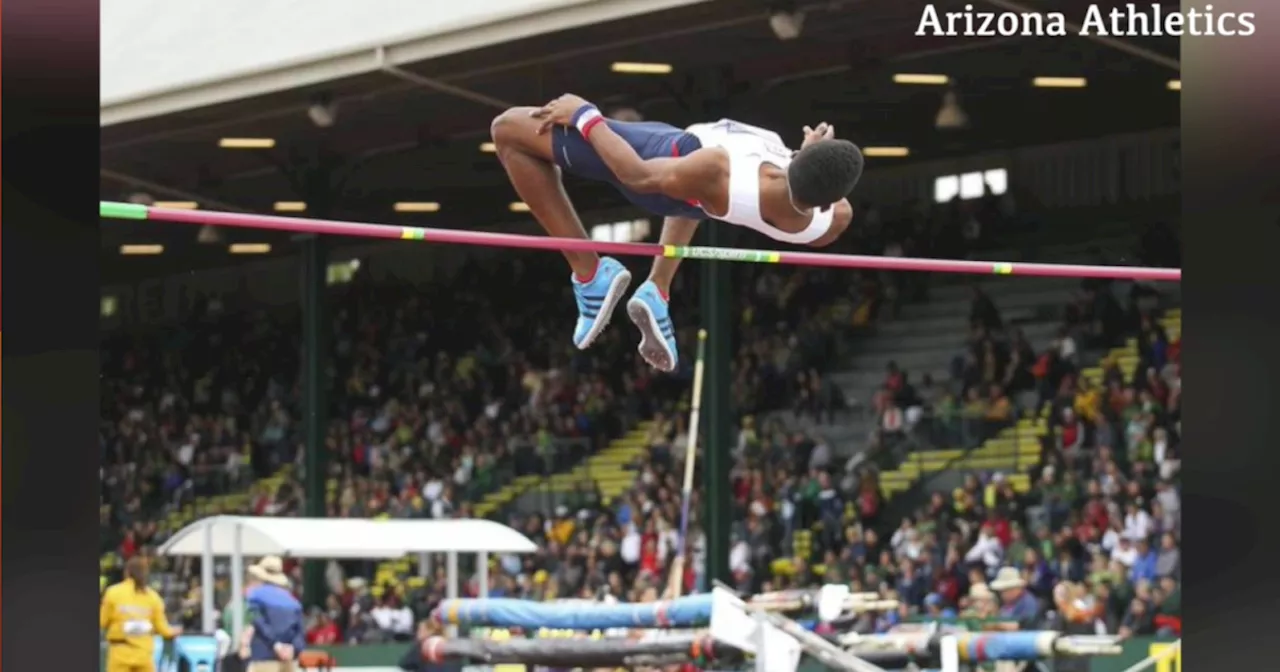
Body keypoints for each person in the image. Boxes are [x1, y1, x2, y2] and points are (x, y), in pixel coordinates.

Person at [491, 94, 862, 371]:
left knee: (508, 130)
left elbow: (638, 176)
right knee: (698, 193)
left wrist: (586, 116)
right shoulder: (831, 219)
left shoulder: (719, 169)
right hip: (695, 192)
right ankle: (657, 290)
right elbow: (806, 192)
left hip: (662, 159)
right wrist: (804, 158)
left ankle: (590, 273)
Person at [100, 556, 182, 672]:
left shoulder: (113, 593)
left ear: (127, 572)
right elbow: (164, 630)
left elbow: (102, 622)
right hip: (144, 656)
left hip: (119, 654)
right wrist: (175, 631)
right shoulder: (153, 598)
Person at [241, 556, 307, 672]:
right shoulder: (293, 602)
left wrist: (276, 645)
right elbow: (299, 633)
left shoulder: (255, 595)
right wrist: (292, 648)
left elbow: (259, 622)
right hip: (288, 661)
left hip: (263, 658)